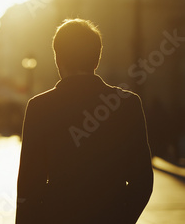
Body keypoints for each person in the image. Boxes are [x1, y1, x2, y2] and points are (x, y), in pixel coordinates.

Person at [16, 19, 153, 224]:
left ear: (58, 59)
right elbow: (142, 181)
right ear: (96, 59)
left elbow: (29, 184)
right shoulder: (128, 105)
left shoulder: (40, 107)